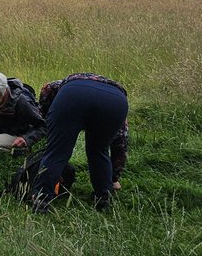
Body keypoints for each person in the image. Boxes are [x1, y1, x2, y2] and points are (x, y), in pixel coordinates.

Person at [31, 73, 129, 213]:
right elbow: (121, 144)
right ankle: (103, 198)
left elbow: (47, 88)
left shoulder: (63, 83)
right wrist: (114, 177)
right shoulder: (116, 92)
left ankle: (41, 200)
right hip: (115, 103)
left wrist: (45, 117)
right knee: (99, 151)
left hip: (73, 96)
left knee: (57, 151)